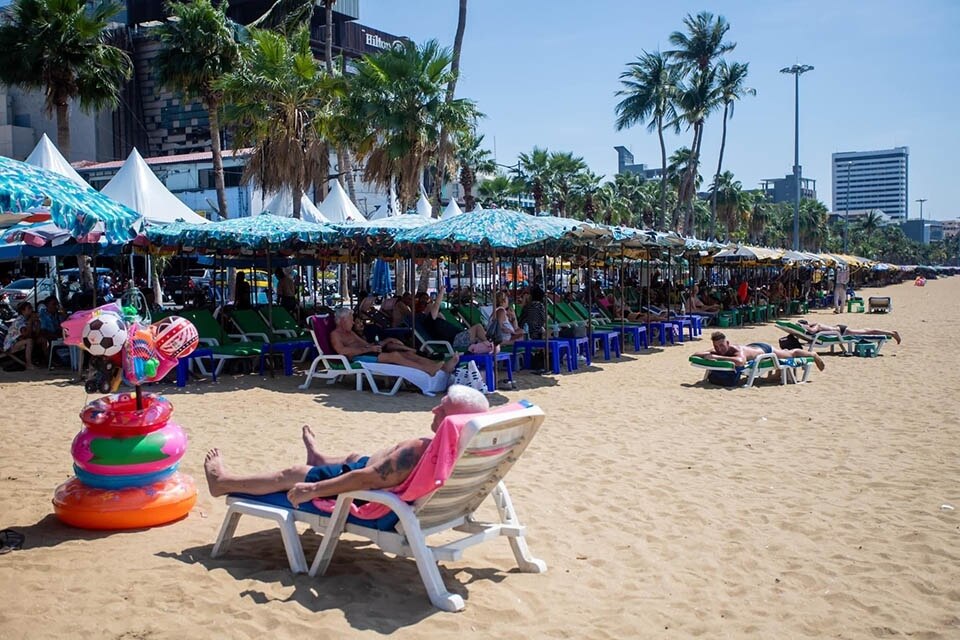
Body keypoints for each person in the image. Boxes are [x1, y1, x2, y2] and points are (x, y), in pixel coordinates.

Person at [203, 385, 490, 506]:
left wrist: (313, 489)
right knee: (357, 457)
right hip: (375, 477)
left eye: (441, 410)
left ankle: (223, 482)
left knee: (290, 474)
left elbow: (365, 478)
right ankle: (319, 458)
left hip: (363, 492)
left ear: (454, 420)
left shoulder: (418, 450)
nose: (433, 411)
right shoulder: (463, 451)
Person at [329, 306, 459, 376]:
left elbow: (366, 344)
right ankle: (428, 369)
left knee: (406, 353)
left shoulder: (350, 332)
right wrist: (368, 349)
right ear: (341, 321)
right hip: (358, 359)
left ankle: (442, 367)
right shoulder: (335, 335)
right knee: (396, 356)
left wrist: (382, 343)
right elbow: (342, 351)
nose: (353, 322)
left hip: (368, 353)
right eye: (351, 319)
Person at [696, 330, 825, 374]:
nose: (719, 349)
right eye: (716, 346)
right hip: (753, 347)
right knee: (783, 353)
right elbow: (696, 354)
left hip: (764, 349)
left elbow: (740, 362)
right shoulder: (719, 350)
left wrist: (716, 357)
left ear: (728, 343)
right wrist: (707, 354)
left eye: (721, 345)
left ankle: (812, 355)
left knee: (790, 354)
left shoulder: (736, 350)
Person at [415, 289, 489, 350]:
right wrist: (441, 292)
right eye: (428, 304)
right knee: (478, 327)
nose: (431, 304)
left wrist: (440, 315)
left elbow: (439, 313)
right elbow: (436, 305)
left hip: (457, 337)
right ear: (425, 310)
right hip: (454, 341)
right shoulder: (429, 320)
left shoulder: (436, 320)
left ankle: (490, 345)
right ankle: (490, 344)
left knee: (480, 337)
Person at [797, 319, 901, 344]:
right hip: (839, 330)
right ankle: (891, 333)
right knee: (866, 331)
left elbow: (811, 331)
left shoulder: (816, 326)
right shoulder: (815, 324)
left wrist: (803, 326)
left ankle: (891, 333)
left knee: (867, 332)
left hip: (841, 331)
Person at [2, 301, 38, 369]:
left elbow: (36, 333)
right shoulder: (20, 320)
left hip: (20, 341)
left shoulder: (27, 319)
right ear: (23, 311)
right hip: (11, 345)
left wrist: (37, 322)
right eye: (29, 308)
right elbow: (25, 334)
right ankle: (29, 364)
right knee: (29, 341)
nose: (31, 310)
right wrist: (30, 322)